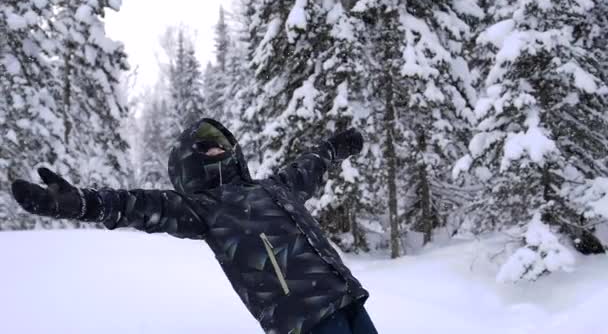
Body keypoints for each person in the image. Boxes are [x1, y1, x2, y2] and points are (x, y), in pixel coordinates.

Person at [11, 118, 378, 334]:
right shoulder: (202, 208)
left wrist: (333, 147)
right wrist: (84, 204)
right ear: (190, 159)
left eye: (222, 144)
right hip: (304, 317)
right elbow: (140, 206)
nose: (219, 150)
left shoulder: (274, 187)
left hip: (345, 296)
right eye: (208, 147)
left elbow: (308, 166)